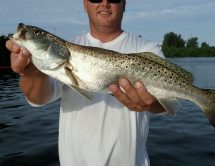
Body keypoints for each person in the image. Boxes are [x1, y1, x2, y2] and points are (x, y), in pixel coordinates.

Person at [6, 0, 169, 165]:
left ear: (124, 4)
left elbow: (166, 105)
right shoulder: (68, 47)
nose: (104, 3)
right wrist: (32, 72)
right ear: (85, 4)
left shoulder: (149, 49)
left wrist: (150, 104)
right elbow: (38, 99)